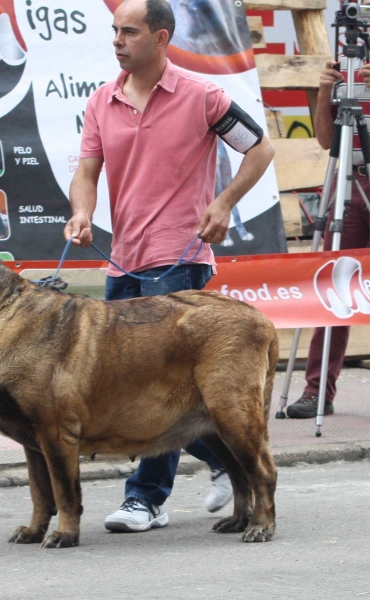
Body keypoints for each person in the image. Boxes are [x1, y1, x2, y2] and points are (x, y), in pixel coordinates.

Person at [64, 0, 275, 532]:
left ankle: (146, 498)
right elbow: (87, 171)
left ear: (160, 39)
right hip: (123, 262)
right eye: (114, 31)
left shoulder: (203, 95)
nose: (117, 40)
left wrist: (224, 204)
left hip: (179, 260)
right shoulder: (101, 100)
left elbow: (261, 150)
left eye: (129, 32)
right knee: (134, 389)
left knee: (162, 387)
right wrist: (82, 212)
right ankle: (230, 458)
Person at [287, 7, 370, 419]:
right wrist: (325, 93)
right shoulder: (346, 73)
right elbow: (324, 140)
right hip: (348, 183)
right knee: (335, 284)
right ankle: (317, 392)